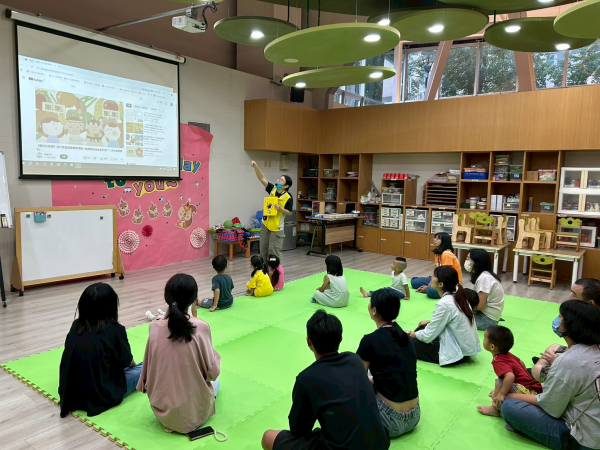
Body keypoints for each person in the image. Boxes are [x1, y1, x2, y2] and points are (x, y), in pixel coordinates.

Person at [261, 310, 390, 450]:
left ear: (308, 341)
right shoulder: (354, 359)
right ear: (340, 338)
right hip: (380, 443)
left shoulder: (306, 378)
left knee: (268, 437)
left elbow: (299, 430)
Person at [501, 300, 600, 450]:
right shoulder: (593, 349)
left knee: (509, 406)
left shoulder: (569, 361)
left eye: (560, 317)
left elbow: (550, 407)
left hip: (583, 438)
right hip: (590, 423)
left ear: (570, 325)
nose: (557, 320)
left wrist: (507, 396)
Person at [137, 274, 221, 434]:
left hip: (162, 412)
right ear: (193, 299)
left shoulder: (154, 326)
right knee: (217, 383)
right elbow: (213, 372)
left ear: (167, 297)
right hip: (193, 414)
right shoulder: (201, 327)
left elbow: (147, 369)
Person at [59, 283, 142, 418]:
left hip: (72, 394)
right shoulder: (115, 330)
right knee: (147, 366)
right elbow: (128, 362)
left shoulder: (76, 326)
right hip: (101, 396)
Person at [357, 289, 420, 438]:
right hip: (415, 416)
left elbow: (358, 381)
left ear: (374, 311)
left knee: (355, 376)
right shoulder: (406, 337)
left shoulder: (369, 341)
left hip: (387, 422)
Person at [408, 266, 480, 366]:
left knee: (406, 342)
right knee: (422, 327)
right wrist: (429, 322)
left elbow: (427, 336)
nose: (431, 278)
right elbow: (454, 320)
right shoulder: (459, 296)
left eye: (434, 276)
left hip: (457, 355)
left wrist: (410, 333)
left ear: (441, 284)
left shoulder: (444, 304)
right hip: (465, 350)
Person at [531, 277, 600, 382]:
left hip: (583, 373)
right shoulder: (587, 317)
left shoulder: (589, 325)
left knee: (536, 370)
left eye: (574, 295)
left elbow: (590, 365)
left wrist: (559, 361)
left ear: (590, 303)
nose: (570, 297)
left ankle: (543, 369)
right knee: (553, 347)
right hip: (577, 359)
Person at [477, 326, 543, 417]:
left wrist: (501, 393)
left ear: (492, 347)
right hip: (533, 387)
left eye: (484, 338)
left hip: (526, 391)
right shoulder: (508, 354)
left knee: (498, 382)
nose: (483, 340)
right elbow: (521, 363)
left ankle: (495, 409)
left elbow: (510, 376)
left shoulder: (498, 360)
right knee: (502, 383)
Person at [251, 160, 293, 263]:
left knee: (273, 252)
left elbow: (290, 212)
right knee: (263, 250)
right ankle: (264, 270)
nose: (278, 181)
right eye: (279, 179)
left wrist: (280, 209)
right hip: (266, 224)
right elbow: (261, 178)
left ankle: (275, 270)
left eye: (281, 181)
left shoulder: (287, 197)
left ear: (286, 186)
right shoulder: (272, 189)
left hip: (276, 228)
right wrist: (255, 166)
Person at [410, 232, 462, 299]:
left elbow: (446, 277)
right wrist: (430, 284)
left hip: (449, 284)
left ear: (444, 242)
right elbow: (435, 272)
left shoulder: (446, 254)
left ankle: (444, 292)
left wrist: (428, 287)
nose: (434, 240)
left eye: (437, 239)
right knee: (414, 282)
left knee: (430, 291)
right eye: (435, 238)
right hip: (439, 279)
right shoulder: (437, 253)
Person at [465, 249, 505, 330]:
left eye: (468, 258)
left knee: (455, 319)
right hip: (491, 317)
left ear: (477, 262)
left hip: (487, 319)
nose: (466, 261)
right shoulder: (486, 275)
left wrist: (465, 308)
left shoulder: (484, 278)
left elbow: (480, 306)